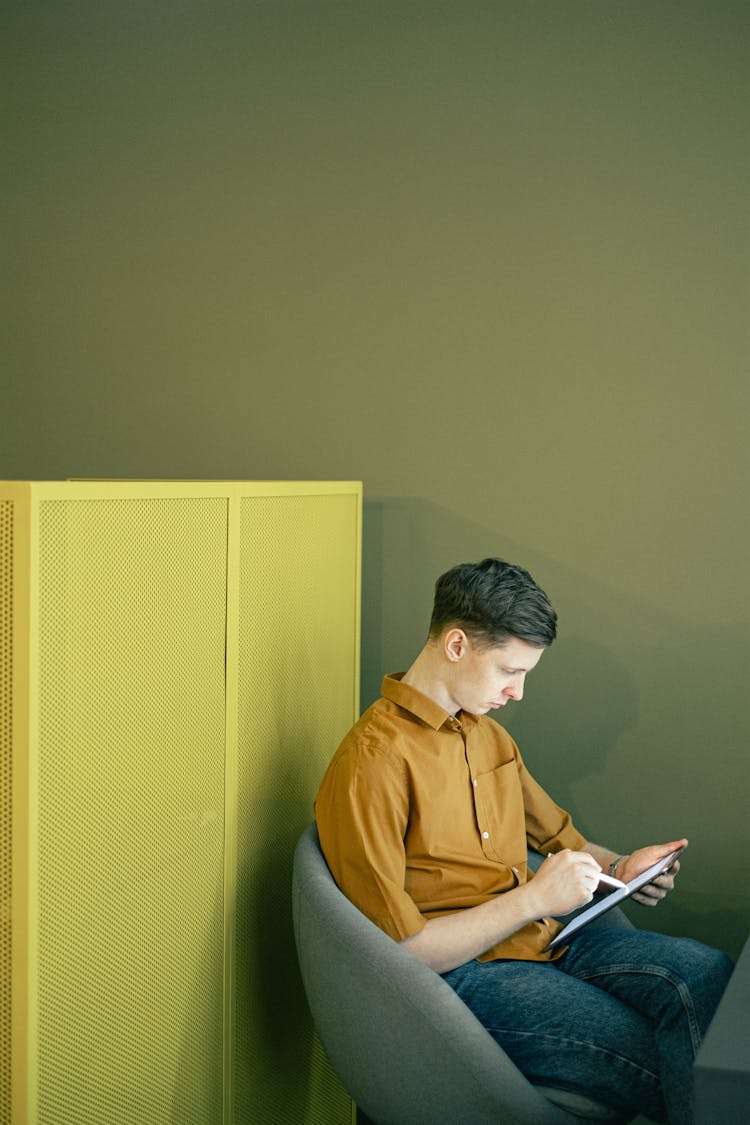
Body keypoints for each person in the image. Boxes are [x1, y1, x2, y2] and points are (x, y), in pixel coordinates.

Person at [315, 558, 732, 1123]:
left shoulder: (489, 738)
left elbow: (566, 842)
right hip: (465, 975)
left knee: (707, 973)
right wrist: (534, 900)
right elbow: (403, 954)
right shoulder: (374, 762)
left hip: (550, 938)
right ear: (456, 645)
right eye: (509, 671)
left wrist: (623, 867)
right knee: (662, 1054)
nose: (517, 693)